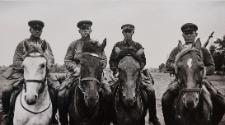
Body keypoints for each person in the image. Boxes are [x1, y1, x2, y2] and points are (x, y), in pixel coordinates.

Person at [162, 23, 225, 125]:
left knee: (221, 102)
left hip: (201, 80)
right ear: (183, 35)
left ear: (196, 34)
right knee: (165, 99)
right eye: (186, 34)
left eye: (191, 33)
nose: (189, 36)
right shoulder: (177, 49)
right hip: (181, 81)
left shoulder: (203, 50)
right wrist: (178, 68)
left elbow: (212, 66)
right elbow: (168, 64)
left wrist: (202, 71)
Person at [1, 20, 59, 124]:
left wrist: (46, 67)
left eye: (39, 29)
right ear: (30, 30)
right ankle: (7, 115)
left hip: (41, 73)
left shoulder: (46, 44)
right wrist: (27, 68)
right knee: (7, 90)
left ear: (41, 31)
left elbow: (51, 59)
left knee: (56, 91)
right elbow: (16, 60)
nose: (37, 31)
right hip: (24, 72)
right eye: (35, 29)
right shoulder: (22, 44)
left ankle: (53, 116)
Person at [57, 20, 110, 124]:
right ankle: (63, 121)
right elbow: (67, 60)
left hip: (94, 74)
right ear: (79, 31)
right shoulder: (74, 44)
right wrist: (76, 68)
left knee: (108, 92)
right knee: (62, 93)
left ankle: (106, 119)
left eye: (87, 29)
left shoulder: (97, 44)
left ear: (91, 30)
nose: (85, 31)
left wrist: (98, 66)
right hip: (76, 73)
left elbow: (104, 59)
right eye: (83, 30)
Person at [109, 24, 161, 125]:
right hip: (121, 74)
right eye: (125, 32)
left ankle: (153, 117)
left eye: (129, 31)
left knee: (150, 90)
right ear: (123, 33)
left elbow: (143, 61)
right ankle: (108, 116)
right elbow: (112, 61)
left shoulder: (138, 46)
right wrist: (115, 70)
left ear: (133, 32)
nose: (127, 34)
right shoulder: (117, 45)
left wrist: (138, 69)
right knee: (109, 91)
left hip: (136, 74)